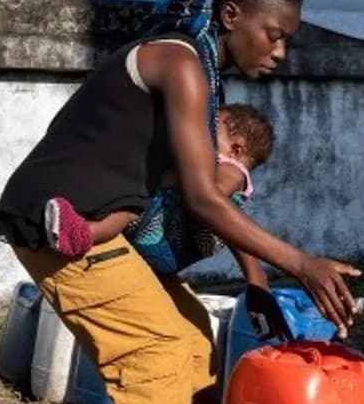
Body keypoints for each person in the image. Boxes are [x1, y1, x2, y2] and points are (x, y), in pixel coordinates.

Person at [0, 0, 360, 404]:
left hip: (101, 229)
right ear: (233, 16)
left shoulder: (202, 71)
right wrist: (302, 264)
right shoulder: (183, 63)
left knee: (191, 341)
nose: (280, 52)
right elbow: (203, 199)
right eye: (274, 35)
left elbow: (219, 193)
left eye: (287, 40)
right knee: (157, 357)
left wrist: (258, 283)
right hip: (61, 229)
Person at [44, 103, 275, 288]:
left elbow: (212, 193)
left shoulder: (233, 170)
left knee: (131, 205)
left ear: (236, 150)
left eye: (210, 131)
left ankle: (84, 233)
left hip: (168, 239)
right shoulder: (221, 165)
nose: (199, 133)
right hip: (164, 248)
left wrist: (173, 172)